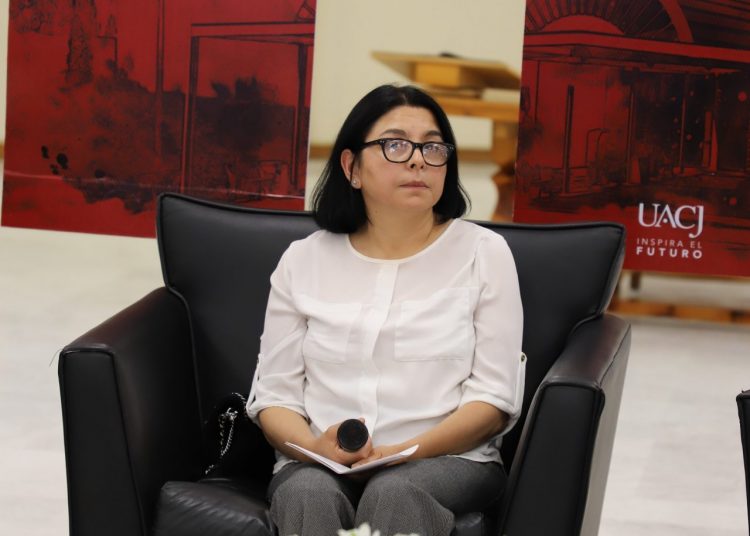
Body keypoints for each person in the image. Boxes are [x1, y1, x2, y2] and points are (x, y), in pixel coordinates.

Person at [247, 84, 525, 536]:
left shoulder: (483, 253)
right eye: (395, 145)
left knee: (395, 491)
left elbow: (494, 401)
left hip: (447, 460)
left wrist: (406, 451)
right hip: (320, 462)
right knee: (307, 493)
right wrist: (316, 447)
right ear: (351, 167)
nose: (418, 160)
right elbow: (275, 398)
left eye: (433, 147)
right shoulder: (303, 260)